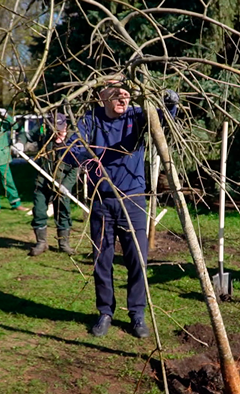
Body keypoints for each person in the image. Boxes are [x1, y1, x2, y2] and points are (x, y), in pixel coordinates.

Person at [65, 81, 179, 338]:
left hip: (134, 200)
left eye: (126, 93)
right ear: (101, 96)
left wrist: (171, 104)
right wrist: (85, 155)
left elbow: (163, 121)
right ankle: (105, 312)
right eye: (116, 93)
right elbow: (72, 150)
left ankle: (137, 314)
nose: (123, 97)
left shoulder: (137, 116)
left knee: (137, 259)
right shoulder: (90, 120)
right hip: (102, 201)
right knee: (101, 260)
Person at [15, 113, 78, 256]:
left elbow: (76, 167)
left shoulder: (74, 139)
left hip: (62, 181)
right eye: (53, 130)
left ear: (66, 126)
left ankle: (64, 243)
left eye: (59, 129)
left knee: (63, 211)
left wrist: (66, 186)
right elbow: (26, 135)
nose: (56, 133)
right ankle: (41, 243)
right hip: (43, 179)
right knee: (39, 209)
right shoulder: (43, 133)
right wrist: (20, 142)